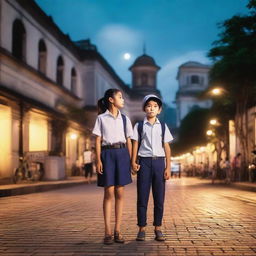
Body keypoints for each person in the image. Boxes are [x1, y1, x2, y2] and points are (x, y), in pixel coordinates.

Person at [92, 89, 133, 245]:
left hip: (122, 154)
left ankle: (118, 231)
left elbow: (129, 140)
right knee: (108, 193)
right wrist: (98, 161)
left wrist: (131, 160)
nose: (122, 100)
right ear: (111, 99)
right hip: (107, 154)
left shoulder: (125, 119)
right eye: (120, 97)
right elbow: (97, 140)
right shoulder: (101, 118)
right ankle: (107, 232)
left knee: (120, 193)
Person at [131, 94, 174, 242]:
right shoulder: (139, 126)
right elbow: (135, 144)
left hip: (159, 163)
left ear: (159, 110)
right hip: (144, 163)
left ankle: (158, 228)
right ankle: (141, 229)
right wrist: (133, 161)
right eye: (149, 105)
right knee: (142, 197)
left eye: (155, 106)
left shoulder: (162, 126)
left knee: (159, 198)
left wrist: (168, 167)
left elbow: (166, 147)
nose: (152, 108)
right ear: (144, 108)